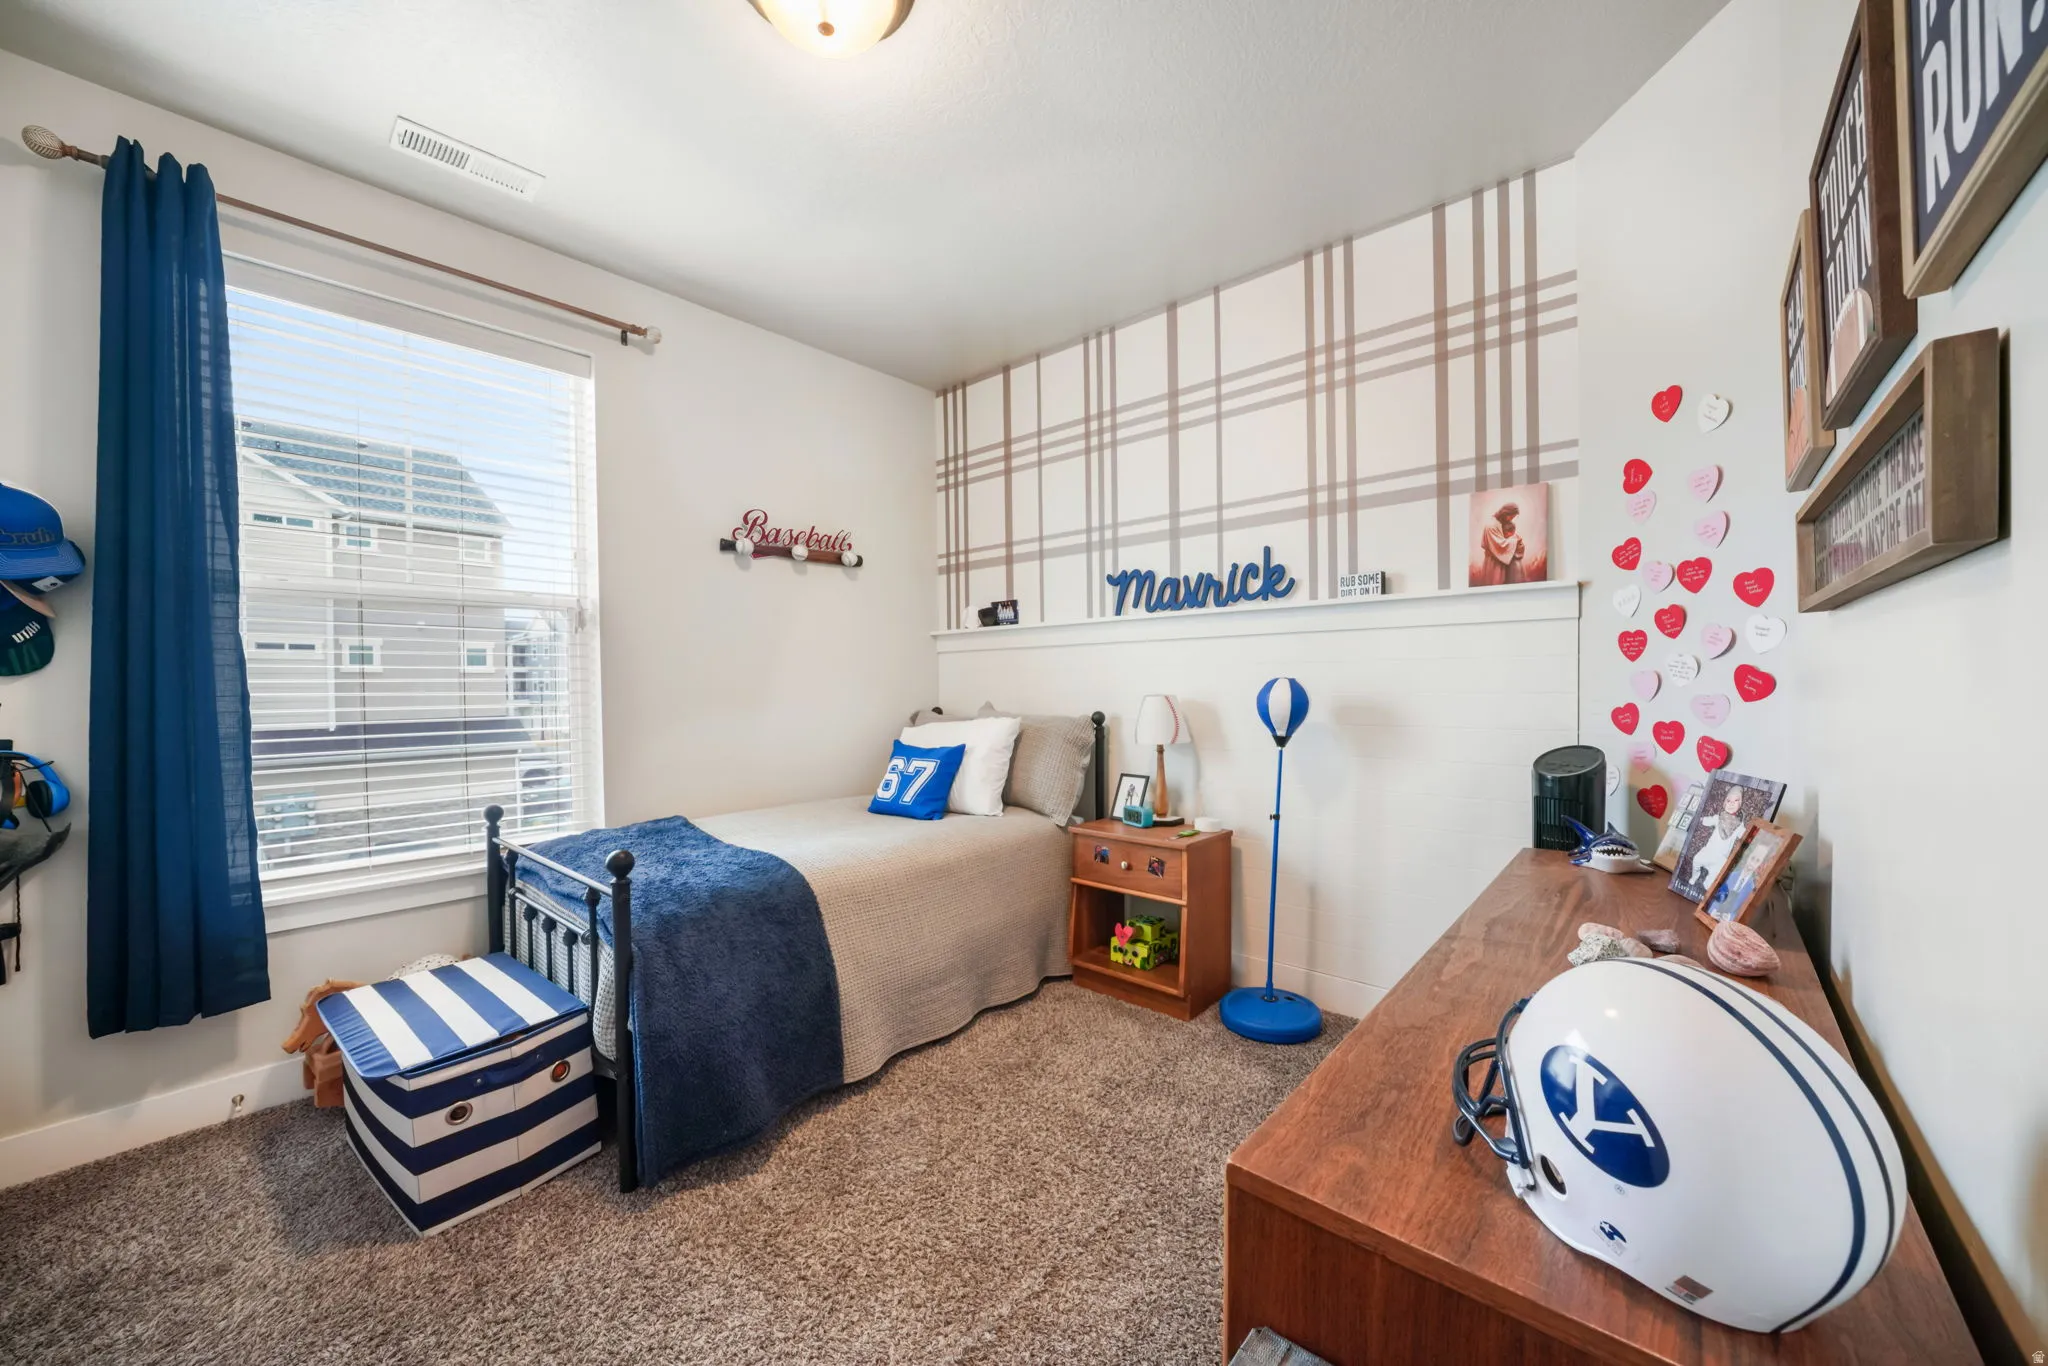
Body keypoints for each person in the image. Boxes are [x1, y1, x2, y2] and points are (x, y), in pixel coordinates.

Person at [1687, 785, 1748, 896]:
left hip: (1721, 858)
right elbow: (1709, 820)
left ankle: (1707, 886)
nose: (1731, 804)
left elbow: (1744, 834)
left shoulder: (1739, 825)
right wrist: (1702, 819)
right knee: (1696, 860)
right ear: (1724, 803)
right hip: (1709, 851)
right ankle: (1695, 875)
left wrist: (1749, 834)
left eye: (1736, 801)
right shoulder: (1719, 817)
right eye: (1728, 801)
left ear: (1740, 804)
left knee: (1713, 879)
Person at [1474, 502, 1527, 586]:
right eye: (1511, 517)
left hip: (1502, 559)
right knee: (1494, 583)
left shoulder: (1502, 523)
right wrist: (1515, 541)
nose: (1511, 519)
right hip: (1494, 562)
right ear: (1505, 513)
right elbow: (1499, 545)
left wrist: (1518, 541)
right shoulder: (1491, 525)